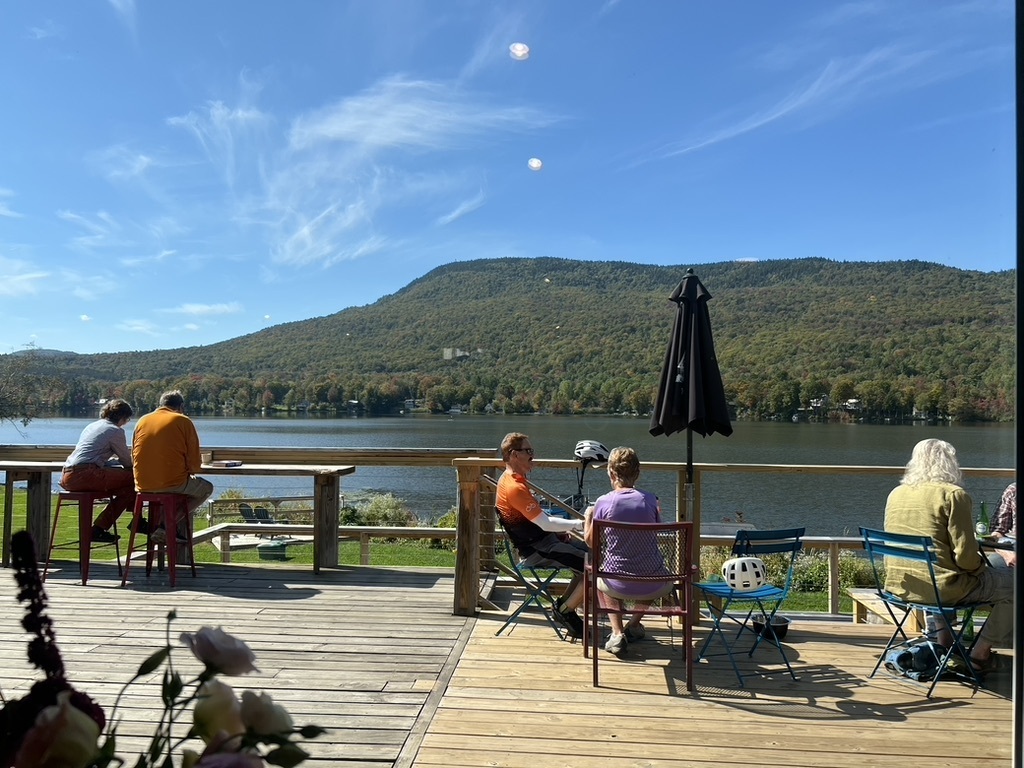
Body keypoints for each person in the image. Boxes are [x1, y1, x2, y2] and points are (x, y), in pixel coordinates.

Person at [883, 439, 1014, 675]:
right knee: (1015, 587)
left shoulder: (896, 493)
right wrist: (980, 568)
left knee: (936, 569)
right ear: (951, 463)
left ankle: (943, 645)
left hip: (901, 585)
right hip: (940, 590)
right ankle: (979, 655)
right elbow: (966, 558)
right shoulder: (953, 495)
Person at [495, 432, 587, 638]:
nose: (532, 455)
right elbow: (544, 523)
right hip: (538, 549)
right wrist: (579, 524)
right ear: (513, 455)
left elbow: (538, 519)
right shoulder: (514, 487)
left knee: (590, 556)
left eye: (532, 451)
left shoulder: (510, 479)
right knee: (594, 566)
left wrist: (563, 530)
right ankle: (564, 611)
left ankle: (565, 607)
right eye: (528, 451)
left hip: (542, 542)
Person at [584, 446, 673, 656]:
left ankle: (617, 633)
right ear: (638, 473)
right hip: (654, 584)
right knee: (652, 568)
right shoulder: (651, 500)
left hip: (616, 583)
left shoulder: (604, 502)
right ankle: (633, 624)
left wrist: (589, 517)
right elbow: (656, 530)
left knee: (598, 574)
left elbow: (591, 543)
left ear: (612, 474)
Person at [131, 390, 213, 544]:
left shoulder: (142, 420)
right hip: (172, 483)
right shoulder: (183, 420)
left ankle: (162, 528)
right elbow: (194, 465)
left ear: (160, 405)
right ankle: (166, 526)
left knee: (169, 493)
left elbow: (133, 454)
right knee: (206, 488)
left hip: (142, 484)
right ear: (181, 406)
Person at [59, 398, 137, 543]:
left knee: (127, 488)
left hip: (67, 475)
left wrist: (112, 463)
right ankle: (135, 521)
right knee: (136, 480)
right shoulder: (115, 431)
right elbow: (127, 462)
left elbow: (91, 455)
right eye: (127, 419)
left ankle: (103, 528)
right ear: (123, 417)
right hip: (86, 474)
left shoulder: (92, 426)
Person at [986, 482, 1016, 568]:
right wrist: (1007, 554)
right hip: (1012, 547)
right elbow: (997, 531)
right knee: (990, 566)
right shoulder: (1013, 490)